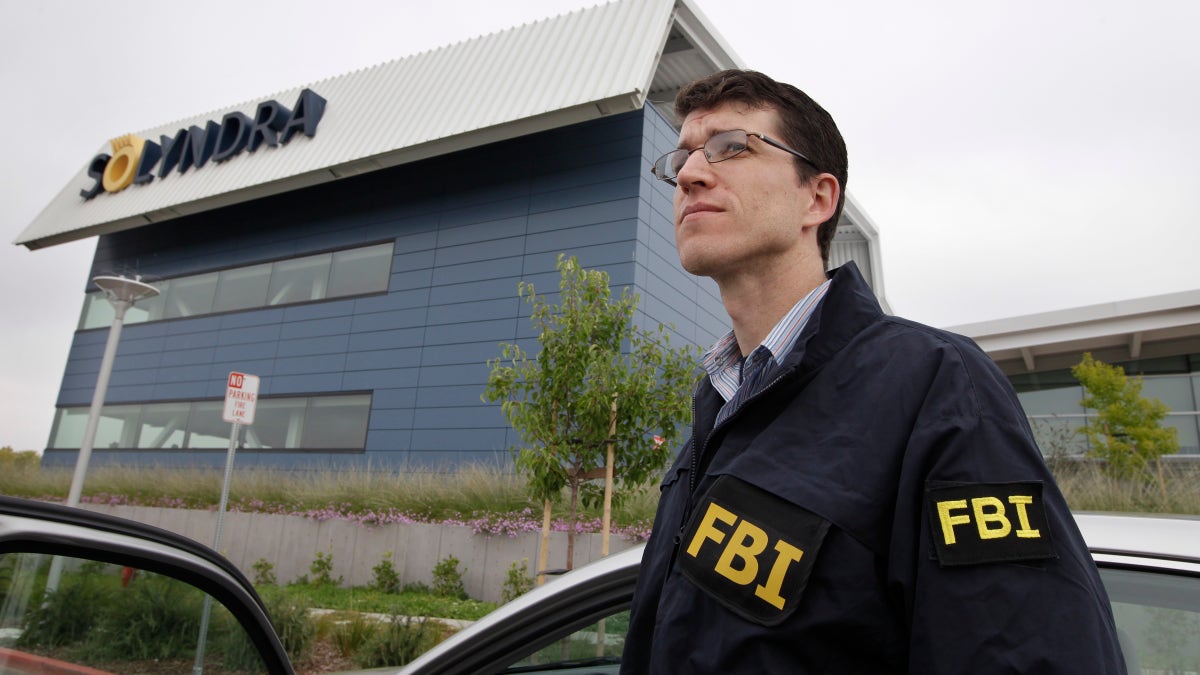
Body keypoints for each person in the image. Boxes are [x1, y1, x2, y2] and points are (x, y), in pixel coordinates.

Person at [621, 69, 1126, 674]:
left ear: (818, 198)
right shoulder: (721, 405)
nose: (690, 173)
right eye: (680, 160)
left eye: (731, 147)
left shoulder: (935, 385)